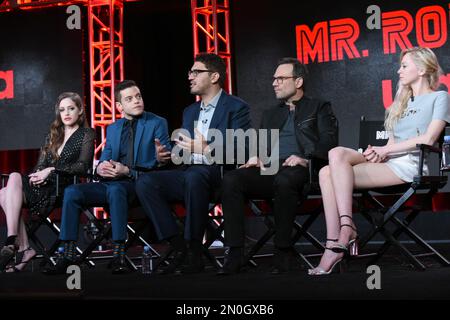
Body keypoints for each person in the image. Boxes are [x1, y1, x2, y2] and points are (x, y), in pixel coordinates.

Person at [309, 47, 450, 275]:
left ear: (422, 69)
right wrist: (378, 153)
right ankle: (342, 231)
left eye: (404, 66)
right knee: (333, 158)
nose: (398, 70)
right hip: (390, 163)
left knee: (328, 173)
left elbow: (429, 138)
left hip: (413, 167)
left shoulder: (440, 97)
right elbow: (390, 147)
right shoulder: (399, 104)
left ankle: (337, 241)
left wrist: (387, 150)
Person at [217, 57, 338, 275]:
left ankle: (283, 251)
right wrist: (256, 157)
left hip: (303, 168)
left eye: (281, 78)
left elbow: (329, 143)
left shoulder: (319, 107)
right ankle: (235, 253)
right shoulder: (271, 113)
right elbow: (262, 148)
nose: (274, 83)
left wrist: (306, 159)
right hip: (272, 168)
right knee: (232, 179)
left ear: (298, 82)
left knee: (285, 180)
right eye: (274, 79)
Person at [135, 53, 251, 274]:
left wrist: (206, 149)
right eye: (190, 72)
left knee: (195, 176)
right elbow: (182, 150)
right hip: (191, 172)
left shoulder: (236, 107)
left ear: (215, 76)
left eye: (196, 72)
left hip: (220, 173)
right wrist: (167, 156)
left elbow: (241, 150)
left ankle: (194, 249)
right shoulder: (189, 111)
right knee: (146, 182)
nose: (190, 77)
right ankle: (179, 247)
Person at [44, 80, 170, 275]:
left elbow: (160, 166)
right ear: (120, 106)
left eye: (138, 96)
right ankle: (68, 255)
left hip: (138, 183)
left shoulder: (157, 122)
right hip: (111, 183)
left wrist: (126, 171)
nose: (136, 101)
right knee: (72, 192)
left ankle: (119, 253)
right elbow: (104, 158)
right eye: (129, 99)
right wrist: (102, 168)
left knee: (117, 189)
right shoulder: (113, 128)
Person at [0, 92, 95, 272]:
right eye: (62, 110)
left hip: (61, 187)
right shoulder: (53, 134)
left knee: (7, 192)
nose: (66, 113)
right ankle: (21, 246)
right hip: (42, 184)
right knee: (7, 188)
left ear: (80, 111)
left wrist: (50, 170)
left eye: (71, 108)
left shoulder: (86, 134)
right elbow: (40, 165)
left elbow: (83, 166)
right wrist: (37, 175)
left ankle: (16, 244)